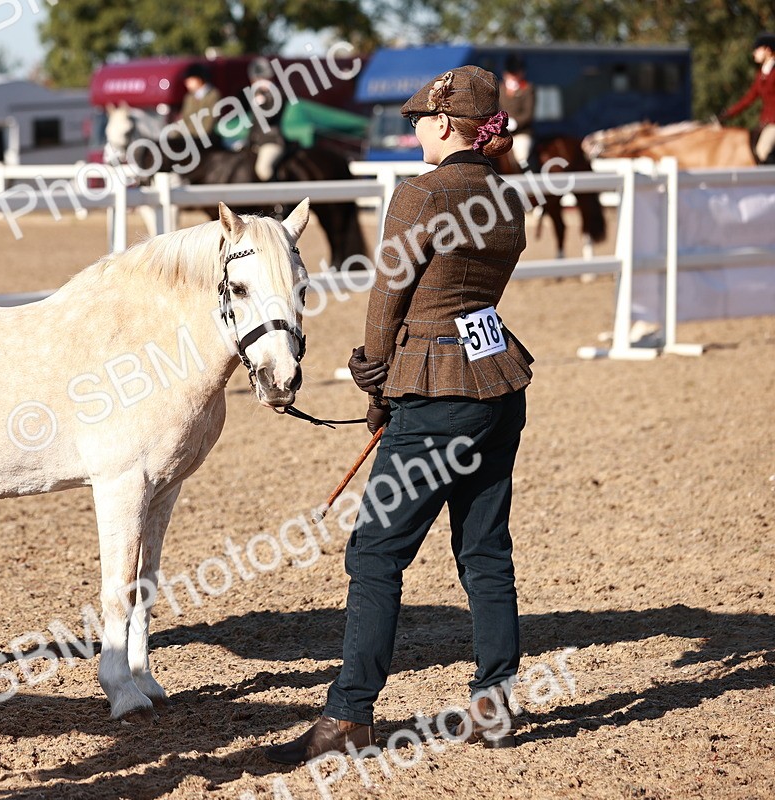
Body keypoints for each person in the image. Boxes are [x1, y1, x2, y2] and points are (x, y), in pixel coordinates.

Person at [265, 65, 534, 764]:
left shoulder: (420, 195)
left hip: (435, 388)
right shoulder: (506, 195)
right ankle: (495, 703)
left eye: (418, 119)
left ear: (445, 123)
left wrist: (376, 384)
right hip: (498, 378)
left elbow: (387, 300)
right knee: (484, 550)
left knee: (376, 553)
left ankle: (350, 715)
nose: (412, 128)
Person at [721, 32, 775, 165]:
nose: (754, 53)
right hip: (765, 124)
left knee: (762, 150)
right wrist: (727, 114)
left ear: (768, 50)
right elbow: (748, 99)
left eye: (757, 49)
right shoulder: (761, 74)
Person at [246, 57, 286, 181]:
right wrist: (248, 141)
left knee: (263, 169)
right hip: (257, 142)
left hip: (272, 141)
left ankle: (277, 199)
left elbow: (268, 118)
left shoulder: (278, 94)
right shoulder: (258, 95)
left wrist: (261, 103)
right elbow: (254, 123)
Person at [499, 54, 535, 170]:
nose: (513, 76)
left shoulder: (527, 88)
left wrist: (515, 123)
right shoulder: (500, 89)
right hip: (501, 132)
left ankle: (528, 179)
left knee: (521, 155)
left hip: (521, 133)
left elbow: (528, 113)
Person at [173, 63, 222, 148]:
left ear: (199, 79)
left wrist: (187, 133)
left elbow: (208, 123)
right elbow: (183, 119)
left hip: (207, 141)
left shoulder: (213, 95)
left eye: (190, 80)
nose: (186, 83)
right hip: (189, 139)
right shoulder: (189, 97)